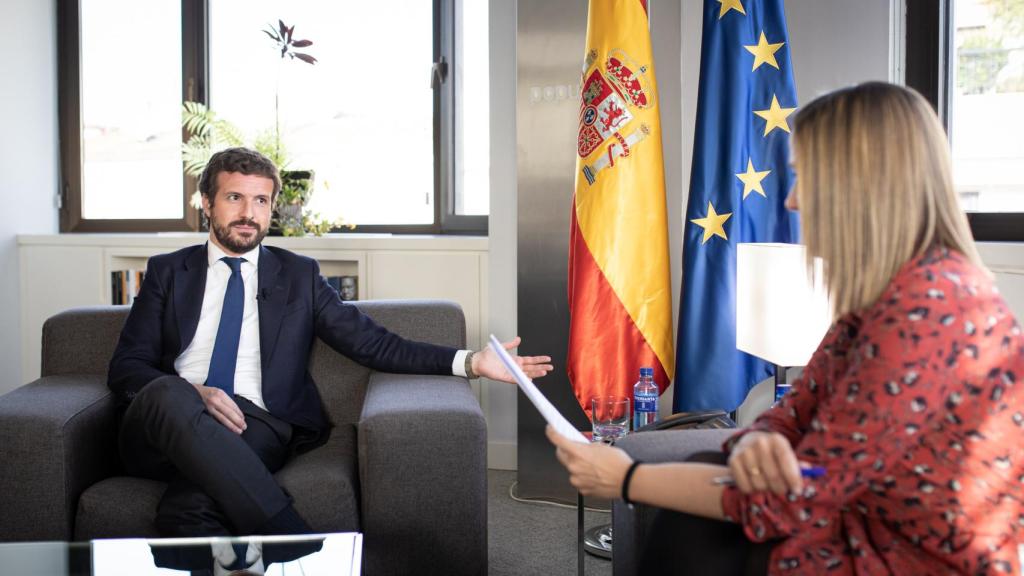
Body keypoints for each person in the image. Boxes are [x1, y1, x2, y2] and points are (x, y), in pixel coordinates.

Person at [547, 82, 1023, 574]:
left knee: (696, 527)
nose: (792, 202)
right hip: (861, 523)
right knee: (705, 493)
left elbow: (793, 501)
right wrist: (760, 440)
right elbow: (794, 410)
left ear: (858, 187)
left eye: (804, 178)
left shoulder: (925, 317)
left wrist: (625, 479)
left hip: (903, 558)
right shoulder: (883, 299)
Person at [108, 147, 552, 537]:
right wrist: (195, 394)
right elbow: (127, 367)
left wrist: (473, 362)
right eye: (234, 197)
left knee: (187, 510)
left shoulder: (298, 276)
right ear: (208, 203)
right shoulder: (169, 271)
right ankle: (302, 546)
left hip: (254, 423)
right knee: (168, 390)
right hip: (162, 427)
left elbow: (372, 343)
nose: (249, 212)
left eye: (261, 200)